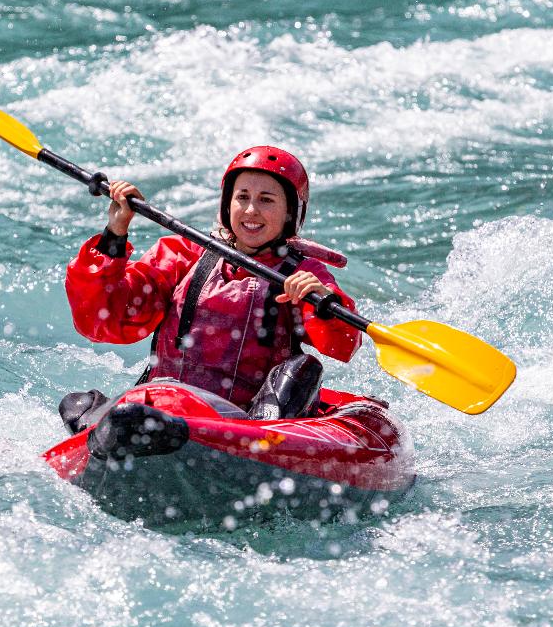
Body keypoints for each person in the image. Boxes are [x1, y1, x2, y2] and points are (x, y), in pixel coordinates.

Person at [60, 146, 361, 430]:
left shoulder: (304, 274)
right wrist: (115, 233)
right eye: (242, 197)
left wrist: (322, 302)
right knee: (77, 407)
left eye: (266, 200)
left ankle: (258, 446)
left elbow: (343, 346)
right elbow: (102, 320)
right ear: (227, 203)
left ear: (289, 214)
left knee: (303, 369)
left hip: (247, 424)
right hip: (171, 405)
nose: (251, 210)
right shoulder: (184, 255)